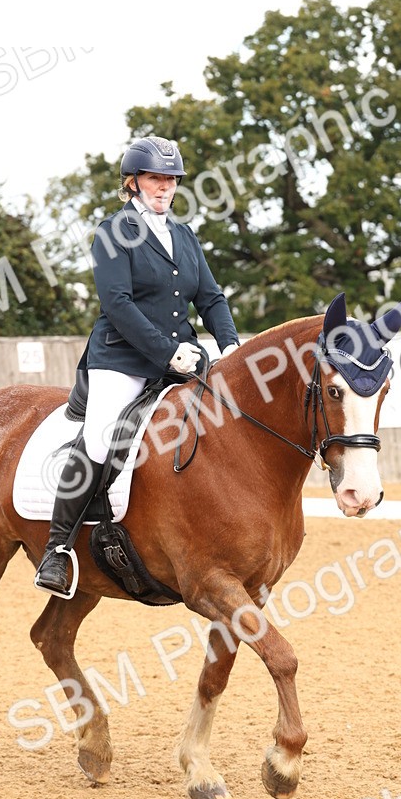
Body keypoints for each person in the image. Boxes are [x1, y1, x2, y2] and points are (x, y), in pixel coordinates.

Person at [34, 135, 240, 596]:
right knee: (102, 436)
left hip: (182, 358)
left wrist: (230, 348)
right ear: (133, 182)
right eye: (154, 178)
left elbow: (210, 298)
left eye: (170, 179)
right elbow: (118, 303)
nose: (164, 187)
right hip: (121, 358)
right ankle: (57, 549)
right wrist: (167, 353)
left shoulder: (184, 236)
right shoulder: (113, 232)